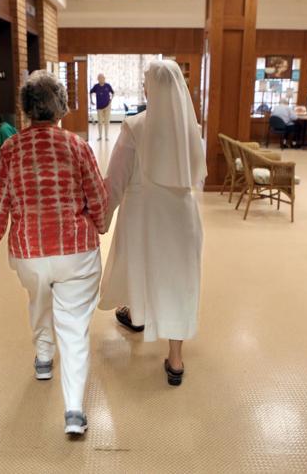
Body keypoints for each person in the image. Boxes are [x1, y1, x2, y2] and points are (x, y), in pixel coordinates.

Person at [0, 70, 108, 435]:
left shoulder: (11, 148)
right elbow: (96, 195)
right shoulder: (77, 146)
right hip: (75, 251)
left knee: (38, 301)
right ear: (60, 106)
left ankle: (44, 358)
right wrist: (99, 223)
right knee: (74, 326)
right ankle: (73, 411)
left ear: (26, 109)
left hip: (29, 251)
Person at [99, 60, 207, 386]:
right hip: (183, 216)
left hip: (144, 215)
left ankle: (136, 315)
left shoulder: (135, 126)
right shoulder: (192, 128)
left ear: (153, 88)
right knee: (179, 278)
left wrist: (103, 217)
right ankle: (175, 358)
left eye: (146, 83)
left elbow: (115, 180)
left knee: (139, 264)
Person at [90, 74, 114, 141]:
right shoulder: (96, 86)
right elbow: (90, 92)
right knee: (100, 122)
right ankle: (100, 136)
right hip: (99, 107)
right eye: (100, 78)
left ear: (104, 78)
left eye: (103, 78)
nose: (102, 79)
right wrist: (91, 100)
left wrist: (111, 101)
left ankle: (106, 136)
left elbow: (113, 93)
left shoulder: (108, 85)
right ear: (98, 79)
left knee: (106, 122)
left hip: (107, 106)